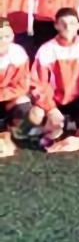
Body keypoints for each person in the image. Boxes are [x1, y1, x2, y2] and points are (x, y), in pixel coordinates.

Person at [29, 8, 79, 152]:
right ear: (56, 26)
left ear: (78, 25)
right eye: (63, 24)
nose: (68, 27)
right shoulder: (47, 49)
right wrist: (50, 108)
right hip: (57, 100)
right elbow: (39, 83)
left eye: (72, 23)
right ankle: (55, 128)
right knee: (36, 115)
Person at [0, 18, 34, 150]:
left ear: (12, 36)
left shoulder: (18, 52)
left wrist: (3, 96)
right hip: (5, 95)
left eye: (6, 36)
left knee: (25, 104)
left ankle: (14, 131)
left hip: (9, 98)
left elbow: (22, 86)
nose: (3, 40)